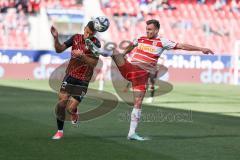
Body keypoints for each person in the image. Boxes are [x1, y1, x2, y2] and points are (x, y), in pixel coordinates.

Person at [87, 19, 214, 141]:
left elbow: (181, 46)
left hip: (142, 75)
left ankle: (132, 133)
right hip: (132, 69)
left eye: (151, 30)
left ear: (157, 30)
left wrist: (201, 48)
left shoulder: (162, 42)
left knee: (138, 103)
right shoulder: (140, 39)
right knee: (114, 51)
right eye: (147, 29)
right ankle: (98, 51)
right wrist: (124, 54)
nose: (148, 32)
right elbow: (132, 45)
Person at [51, 20, 101, 140]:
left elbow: (94, 63)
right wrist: (56, 38)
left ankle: (74, 111)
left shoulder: (96, 43)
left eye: (91, 34)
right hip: (70, 75)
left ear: (95, 33)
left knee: (70, 108)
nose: (88, 35)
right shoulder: (75, 38)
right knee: (61, 103)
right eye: (87, 32)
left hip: (83, 79)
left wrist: (82, 56)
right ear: (84, 28)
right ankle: (60, 131)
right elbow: (59, 50)